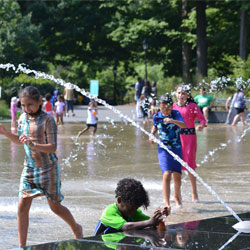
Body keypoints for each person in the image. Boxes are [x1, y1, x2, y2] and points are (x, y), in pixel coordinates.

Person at [0, 86, 83, 247]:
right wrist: (6, 134)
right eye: (23, 105)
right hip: (29, 168)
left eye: (30, 104)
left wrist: (33, 143)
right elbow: (20, 141)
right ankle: (22, 246)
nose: (26, 108)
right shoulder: (23, 118)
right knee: (22, 206)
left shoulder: (48, 120)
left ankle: (76, 227)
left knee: (55, 207)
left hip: (48, 168)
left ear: (39, 102)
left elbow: (52, 147)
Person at [94, 178, 168, 236]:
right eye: (132, 207)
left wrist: (159, 216)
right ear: (119, 200)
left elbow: (149, 222)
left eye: (136, 208)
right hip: (102, 245)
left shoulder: (133, 212)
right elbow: (126, 227)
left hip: (118, 243)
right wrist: (150, 222)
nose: (134, 211)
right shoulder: (110, 211)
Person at [149, 94, 186, 209]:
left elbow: (183, 125)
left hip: (176, 147)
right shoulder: (156, 116)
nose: (166, 109)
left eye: (169, 106)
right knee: (166, 173)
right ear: (159, 106)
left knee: (177, 175)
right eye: (163, 106)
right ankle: (167, 202)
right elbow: (155, 126)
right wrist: (151, 135)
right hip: (163, 149)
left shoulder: (176, 114)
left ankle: (177, 196)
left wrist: (172, 121)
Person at [173, 84, 206, 202]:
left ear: (188, 95)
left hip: (190, 138)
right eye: (179, 92)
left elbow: (202, 118)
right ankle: (177, 195)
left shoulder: (192, 106)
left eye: (183, 93)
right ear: (175, 94)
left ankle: (194, 193)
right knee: (176, 166)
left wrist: (201, 125)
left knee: (190, 166)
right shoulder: (173, 106)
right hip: (176, 138)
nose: (181, 95)